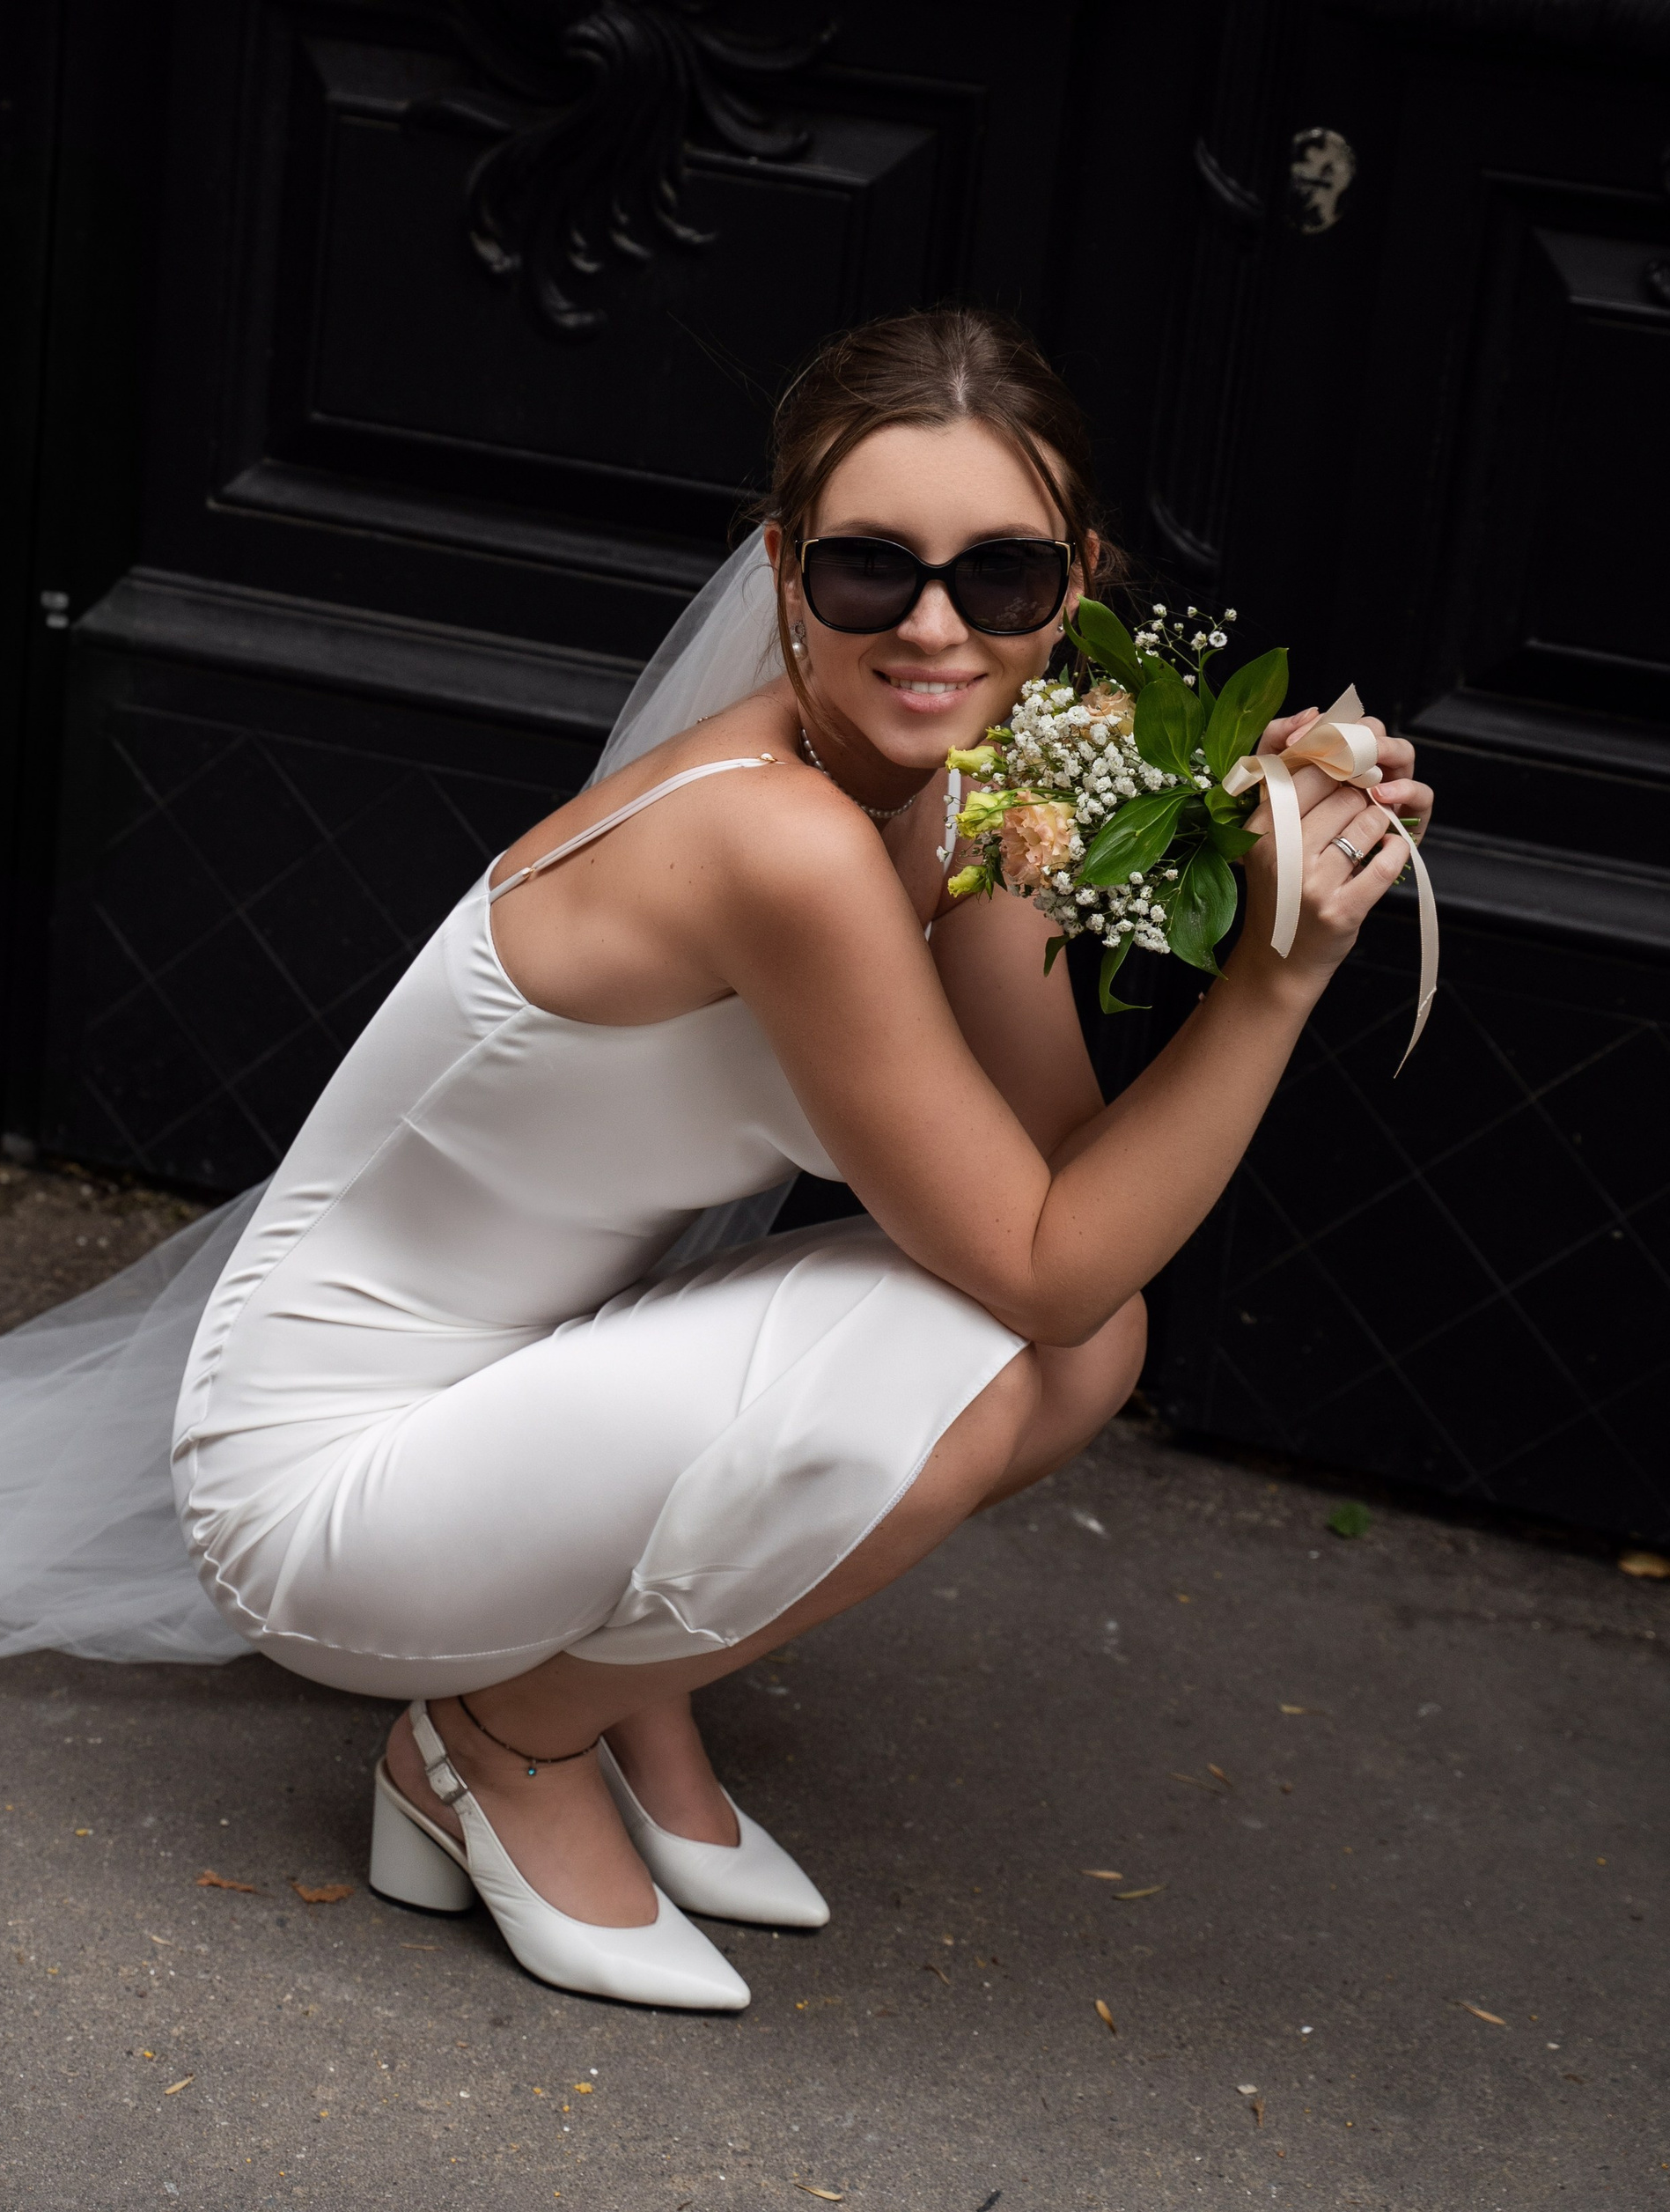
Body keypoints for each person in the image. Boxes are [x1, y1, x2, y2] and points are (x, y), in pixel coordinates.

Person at [169, 303, 1435, 2011]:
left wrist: (1219, 827)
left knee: (1079, 1346)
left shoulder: (966, 793)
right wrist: (1274, 980)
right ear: (782, 570)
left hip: (525, 1392)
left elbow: (1071, 1200)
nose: (931, 628)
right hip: (321, 1488)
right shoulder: (776, 843)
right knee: (1006, 1334)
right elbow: (1044, 1253)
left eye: (997, 578)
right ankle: (494, 1740)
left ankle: (608, 1685)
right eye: (867, 573)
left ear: (1073, 589)